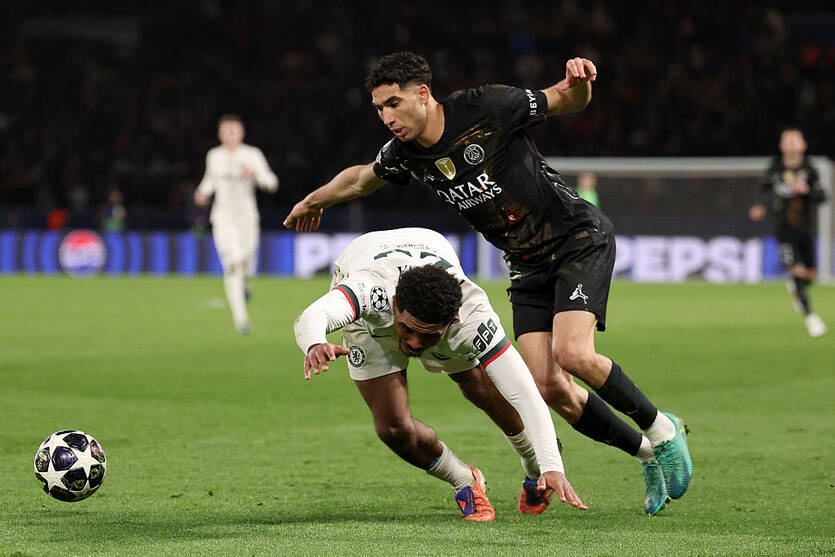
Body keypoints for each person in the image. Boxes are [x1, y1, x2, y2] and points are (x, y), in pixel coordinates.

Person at [284, 51, 692, 515]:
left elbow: (566, 100)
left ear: (423, 94)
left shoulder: (487, 107)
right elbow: (361, 180)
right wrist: (313, 200)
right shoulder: (405, 154)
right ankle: (646, 454)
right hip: (525, 263)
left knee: (572, 354)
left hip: (575, 237)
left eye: (393, 103)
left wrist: (579, 81)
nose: (386, 116)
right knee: (548, 386)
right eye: (379, 108)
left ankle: (663, 430)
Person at [294, 228, 587, 521]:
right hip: (367, 283)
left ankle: (532, 464)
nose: (414, 344)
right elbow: (313, 316)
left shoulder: (472, 316)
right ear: (395, 305)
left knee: (477, 384)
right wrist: (315, 343)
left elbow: (523, 390)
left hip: (430, 255)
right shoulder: (371, 290)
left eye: (428, 335)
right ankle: (464, 479)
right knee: (392, 428)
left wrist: (550, 465)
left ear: (453, 321)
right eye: (407, 329)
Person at [195, 114, 278, 334]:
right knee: (232, 262)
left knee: (246, 263)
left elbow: (271, 183)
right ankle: (241, 319)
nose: (230, 134)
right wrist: (202, 193)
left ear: (241, 132)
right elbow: (210, 180)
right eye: (225, 130)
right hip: (222, 218)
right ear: (220, 134)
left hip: (247, 219)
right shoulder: (214, 156)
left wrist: (255, 175)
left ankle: (246, 284)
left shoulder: (252, 155)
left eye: (233, 130)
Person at [749, 127, 827, 337]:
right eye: (788, 140)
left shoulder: (810, 170)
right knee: (796, 272)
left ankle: (797, 288)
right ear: (782, 146)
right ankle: (811, 318)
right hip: (784, 230)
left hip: (806, 229)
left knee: (809, 275)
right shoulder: (775, 169)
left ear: (803, 145)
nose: (792, 144)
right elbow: (762, 188)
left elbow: (822, 197)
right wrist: (759, 205)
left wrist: (807, 191)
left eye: (796, 140)